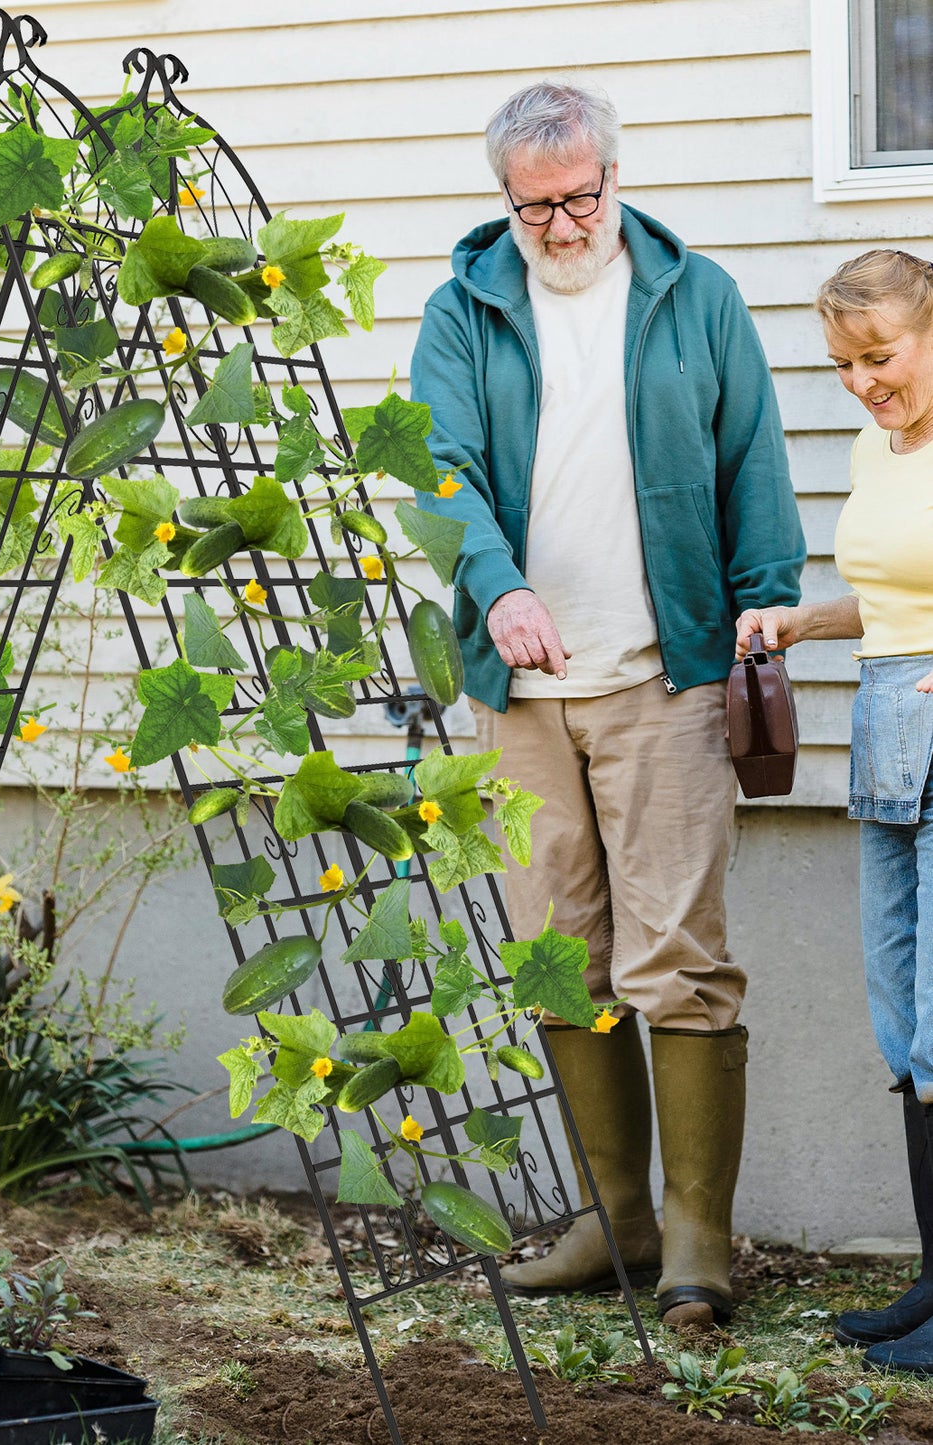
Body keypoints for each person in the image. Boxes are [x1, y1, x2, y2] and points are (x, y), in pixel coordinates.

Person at [409, 81, 806, 1328]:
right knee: (554, 958)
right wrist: (497, 584)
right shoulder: (463, 309)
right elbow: (440, 473)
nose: (561, 225)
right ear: (503, 202)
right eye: (533, 206)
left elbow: (755, 463)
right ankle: (613, 1220)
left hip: (665, 673)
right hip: (521, 695)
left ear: (613, 177)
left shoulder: (698, 298)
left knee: (677, 960)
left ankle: (697, 1236)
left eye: (579, 197)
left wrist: (764, 603)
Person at [736, 249, 933, 1372]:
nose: (860, 381)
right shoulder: (876, 443)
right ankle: (929, 1273)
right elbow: (898, 595)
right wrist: (797, 624)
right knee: (899, 1022)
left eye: (880, 355)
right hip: (880, 733)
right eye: (842, 364)